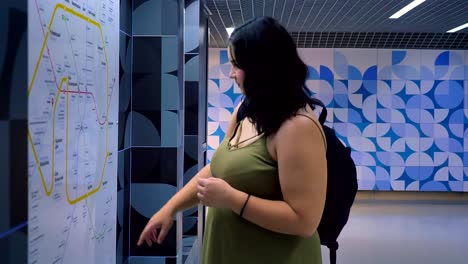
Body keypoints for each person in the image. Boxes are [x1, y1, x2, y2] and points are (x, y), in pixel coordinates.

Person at [138, 16, 327, 264]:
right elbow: (218, 169)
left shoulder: (298, 128)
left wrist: (232, 199)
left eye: (236, 65)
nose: (231, 74)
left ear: (262, 68)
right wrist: (170, 209)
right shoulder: (246, 109)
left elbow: (304, 221)